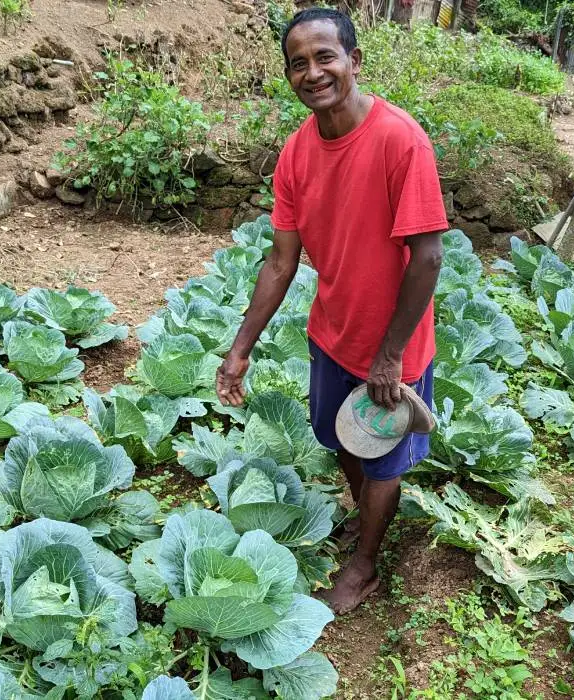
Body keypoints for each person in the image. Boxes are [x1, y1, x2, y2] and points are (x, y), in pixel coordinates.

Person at [215, 7, 446, 614]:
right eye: (298, 64)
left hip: (393, 344)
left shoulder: (401, 140)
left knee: (384, 457)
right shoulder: (296, 153)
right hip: (333, 333)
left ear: (353, 62)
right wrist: (239, 351)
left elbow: (427, 257)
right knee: (344, 439)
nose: (313, 73)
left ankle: (365, 563)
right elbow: (279, 263)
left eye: (325, 57)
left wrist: (391, 355)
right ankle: (362, 520)